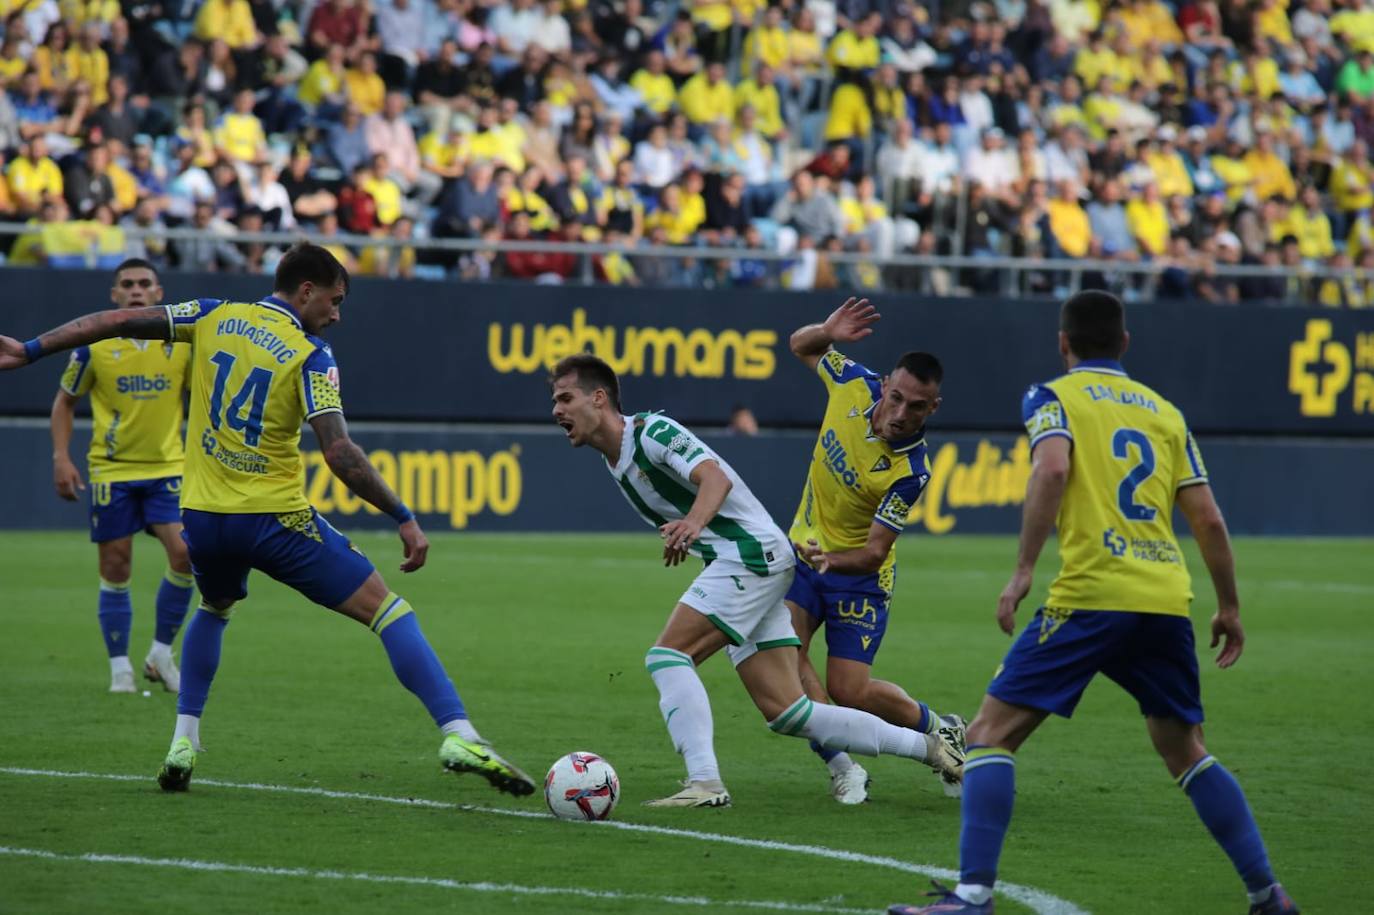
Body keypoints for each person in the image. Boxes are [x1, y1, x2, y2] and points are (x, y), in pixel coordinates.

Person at [1, 244, 535, 799]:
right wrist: (402, 514)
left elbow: (114, 323)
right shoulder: (311, 353)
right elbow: (339, 452)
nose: (336, 314)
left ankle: (183, 741)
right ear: (306, 291)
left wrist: (31, 349)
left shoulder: (211, 314)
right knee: (389, 611)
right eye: (334, 300)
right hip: (274, 518)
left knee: (214, 607)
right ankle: (459, 732)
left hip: (204, 518)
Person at [887, 291, 1298, 915]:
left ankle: (972, 896)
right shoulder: (1166, 413)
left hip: (1091, 595)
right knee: (1185, 749)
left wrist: (1023, 570)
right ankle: (1268, 894)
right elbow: (1209, 519)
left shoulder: (1051, 398)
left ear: (1063, 343)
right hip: (1164, 598)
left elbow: (1052, 471)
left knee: (989, 736)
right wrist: (1230, 608)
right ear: (1124, 343)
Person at [549, 354, 962, 808]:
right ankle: (933, 748)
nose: (557, 410)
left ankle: (705, 783)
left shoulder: (652, 432)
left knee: (668, 656)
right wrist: (694, 530)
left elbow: (714, 479)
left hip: (750, 556)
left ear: (599, 398)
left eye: (566, 398)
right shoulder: (617, 459)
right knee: (789, 713)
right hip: (749, 560)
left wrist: (692, 524)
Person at [786, 298, 966, 805]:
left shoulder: (911, 472)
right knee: (786, 656)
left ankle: (940, 727)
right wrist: (826, 330)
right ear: (885, 385)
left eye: (917, 407)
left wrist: (830, 561)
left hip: (859, 578)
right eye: (897, 398)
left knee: (850, 691)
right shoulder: (852, 382)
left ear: (933, 408)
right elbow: (799, 346)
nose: (901, 414)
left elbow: (873, 553)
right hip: (805, 555)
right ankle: (842, 766)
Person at [49, 259, 194, 694]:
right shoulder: (93, 347)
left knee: (186, 553)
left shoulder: (182, 345)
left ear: (158, 293)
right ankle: (120, 670)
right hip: (112, 470)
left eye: (144, 283)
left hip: (168, 467)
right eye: (127, 284)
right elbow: (64, 402)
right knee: (116, 564)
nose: (135, 290)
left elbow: (205, 397)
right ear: (114, 295)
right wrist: (61, 456)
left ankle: (160, 654)